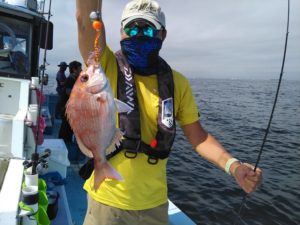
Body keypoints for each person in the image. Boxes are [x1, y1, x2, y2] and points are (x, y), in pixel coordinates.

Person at [76, 1, 263, 225]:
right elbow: (85, 22)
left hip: (155, 205)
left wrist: (234, 166)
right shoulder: (104, 66)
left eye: (147, 29)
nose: (139, 34)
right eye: (131, 29)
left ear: (162, 35)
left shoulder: (177, 83)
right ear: (120, 33)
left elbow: (199, 137)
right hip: (106, 205)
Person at [58, 60, 85, 163]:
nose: (82, 70)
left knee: (67, 129)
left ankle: (64, 150)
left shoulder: (75, 79)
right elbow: (69, 92)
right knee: (66, 130)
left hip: (70, 109)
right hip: (66, 109)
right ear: (74, 69)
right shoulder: (70, 80)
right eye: (80, 68)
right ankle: (63, 151)